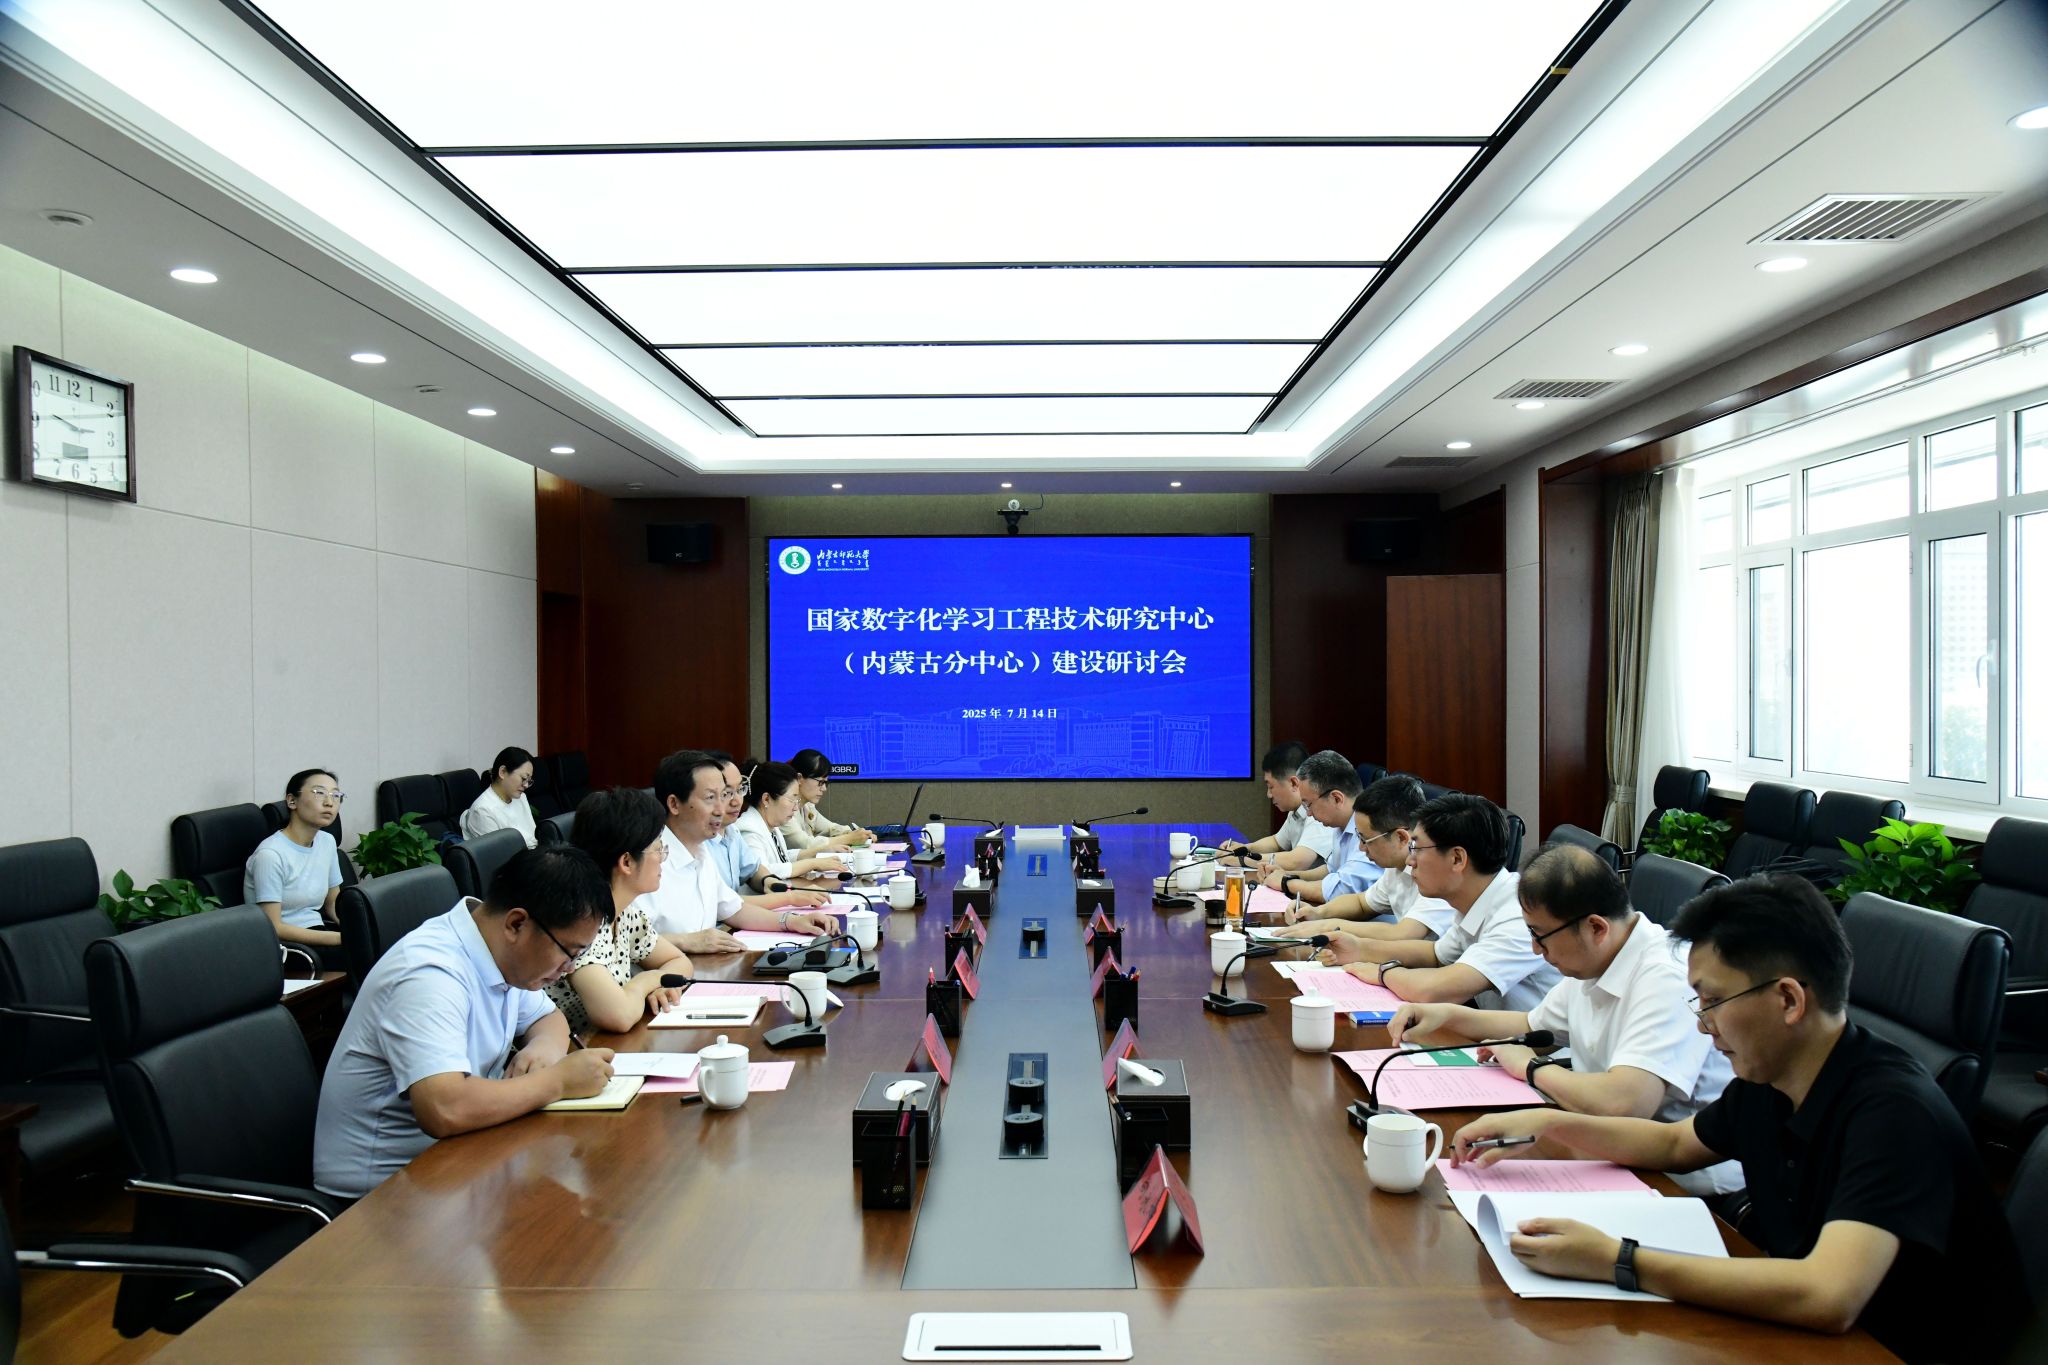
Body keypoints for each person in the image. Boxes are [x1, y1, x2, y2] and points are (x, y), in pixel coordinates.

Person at [1450, 876, 2027, 1362]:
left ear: (1788, 1000)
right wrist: (1544, 1126)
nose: (1703, 1024)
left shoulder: (1894, 1113)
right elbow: (1676, 1145)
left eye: (1712, 1001)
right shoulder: (1773, 1074)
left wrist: (1616, 1260)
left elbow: (1828, 1294)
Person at [1385, 843, 1741, 1195]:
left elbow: (1626, 1103)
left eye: (1540, 935)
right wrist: (1446, 1014)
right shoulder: (1597, 959)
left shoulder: (1666, 977)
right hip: (1606, 1148)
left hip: (1677, 1183)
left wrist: (1533, 1069)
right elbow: (1530, 1028)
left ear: (1596, 928)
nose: (1535, 949)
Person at [312, 844, 618, 1200]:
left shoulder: (500, 951)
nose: (569, 969)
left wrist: (544, 1050)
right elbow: (444, 1108)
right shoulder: (430, 974)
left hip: (462, 1160)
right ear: (517, 923)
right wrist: (557, 1081)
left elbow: (549, 1017)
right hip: (380, 1194)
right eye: (569, 953)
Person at [1342, 793, 1559, 1012]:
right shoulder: (1476, 899)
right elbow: (1436, 955)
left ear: (1457, 858)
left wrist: (1383, 973)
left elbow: (1435, 989)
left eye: (1416, 848)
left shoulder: (1518, 915)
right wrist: (1359, 948)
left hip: (1535, 1035)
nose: (1409, 860)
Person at [640, 749, 841, 954]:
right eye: (710, 798)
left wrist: (792, 921)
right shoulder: (645, 860)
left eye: (723, 795)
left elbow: (734, 909)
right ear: (674, 804)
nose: (721, 809)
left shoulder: (700, 851)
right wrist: (686, 941)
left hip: (707, 966)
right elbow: (629, 939)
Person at [546, 787, 694, 1036]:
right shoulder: (581, 921)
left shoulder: (624, 912)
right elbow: (619, 1016)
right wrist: (649, 980)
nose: (663, 858)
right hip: (573, 1050)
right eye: (657, 848)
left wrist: (660, 985)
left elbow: (679, 962)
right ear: (626, 862)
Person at [1277, 774, 1454, 951]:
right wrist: (1318, 913)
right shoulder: (1395, 867)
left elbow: (1403, 934)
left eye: (1365, 839)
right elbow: (1362, 903)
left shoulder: (1438, 873)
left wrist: (1326, 926)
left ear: (1401, 837)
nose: (1361, 848)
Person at [246, 767, 346, 960]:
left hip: (320, 931)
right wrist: (340, 938)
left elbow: (333, 903)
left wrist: (357, 929)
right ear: (292, 801)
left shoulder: (327, 842)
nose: (329, 802)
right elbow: (273, 927)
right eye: (319, 793)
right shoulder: (270, 855)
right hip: (287, 946)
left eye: (336, 795)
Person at [1260, 750, 1380, 907]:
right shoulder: (1340, 824)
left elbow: (1342, 890)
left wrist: (1285, 883)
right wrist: (1287, 875)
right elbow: (1331, 871)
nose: (1308, 813)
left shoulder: (1372, 830)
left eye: (1308, 804)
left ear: (1336, 798)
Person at [1216, 741, 1335, 872]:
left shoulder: (1318, 812)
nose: (1269, 794)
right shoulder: (1296, 810)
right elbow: (1277, 842)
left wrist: (1242, 859)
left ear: (1293, 783)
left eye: (1271, 786)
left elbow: (1296, 861)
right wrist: (1244, 848)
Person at [735, 761, 849, 883]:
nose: (795, 808)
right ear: (767, 799)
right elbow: (764, 871)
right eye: (792, 799)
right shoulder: (748, 830)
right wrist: (814, 863)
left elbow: (782, 857)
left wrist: (820, 851)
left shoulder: (771, 825)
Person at [778, 749, 868, 854]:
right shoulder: (783, 807)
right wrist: (849, 838)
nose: (824, 789)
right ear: (799, 778)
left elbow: (829, 828)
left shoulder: (807, 806)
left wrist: (856, 833)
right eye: (820, 782)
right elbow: (805, 845)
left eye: (826, 783)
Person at [460, 746, 538, 848]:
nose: (526, 785)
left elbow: (533, 837)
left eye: (529, 781)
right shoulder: (482, 811)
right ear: (503, 772)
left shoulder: (521, 797)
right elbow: (500, 853)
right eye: (523, 778)